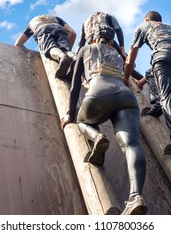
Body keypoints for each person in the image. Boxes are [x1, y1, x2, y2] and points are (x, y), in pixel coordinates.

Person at [61, 25, 147, 215]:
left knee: (83, 122)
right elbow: (131, 70)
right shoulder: (118, 54)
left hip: (98, 92)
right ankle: (135, 197)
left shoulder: (85, 49)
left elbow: (75, 85)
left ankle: (96, 136)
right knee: (132, 145)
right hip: (126, 96)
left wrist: (69, 114)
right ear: (111, 39)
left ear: (93, 38)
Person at [124, 10, 171, 156]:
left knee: (167, 96)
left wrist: (126, 78)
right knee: (150, 73)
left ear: (146, 19)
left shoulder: (144, 26)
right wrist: (141, 82)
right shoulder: (169, 27)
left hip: (164, 55)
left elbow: (130, 60)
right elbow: (156, 71)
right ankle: (157, 105)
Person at [14, 14, 76, 79]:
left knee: (50, 48)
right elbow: (72, 32)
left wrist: (28, 52)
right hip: (59, 28)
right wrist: (67, 49)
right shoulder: (55, 18)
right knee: (66, 50)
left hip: (43, 30)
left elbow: (18, 44)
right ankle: (76, 58)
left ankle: (62, 56)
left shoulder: (32, 24)